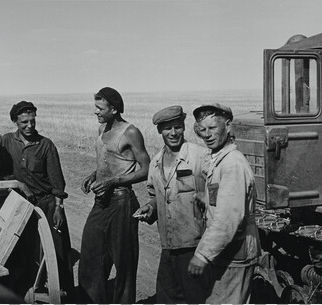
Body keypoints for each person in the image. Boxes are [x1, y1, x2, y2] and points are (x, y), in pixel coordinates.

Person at [78, 87, 150, 303]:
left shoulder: (130, 132)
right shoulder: (102, 129)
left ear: (114, 109)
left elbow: (146, 169)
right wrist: (94, 175)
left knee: (124, 262)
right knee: (91, 256)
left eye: (100, 108)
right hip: (101, 202)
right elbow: (111, 160)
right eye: (95, 107)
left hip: (122, 202)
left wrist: (112, 181)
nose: (96, 112)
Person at [0, 101, 74, 300]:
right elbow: (0, 174)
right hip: (19, 206)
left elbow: (57, 182)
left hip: (46, 204)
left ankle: (62, 294)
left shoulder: (45, 145)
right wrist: (15, 185)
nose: (30, 125)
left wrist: (58, 208)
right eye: (24, 122)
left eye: (32, 121)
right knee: (20, 251)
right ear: (15, 122)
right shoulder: (6, 142)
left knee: (56, 253)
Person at [133, 105, 210, 303]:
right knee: (166, 298)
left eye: (177, 127)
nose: (173, 133)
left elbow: (216, 197)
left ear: (184, 127)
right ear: (160, 131)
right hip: (168, 246)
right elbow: (155, 196)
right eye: (168, 128)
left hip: (195, 246)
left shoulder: (200, 157)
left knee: (196, 299)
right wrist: (150, 208)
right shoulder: (156, 163)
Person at [188, 103, 261, 303]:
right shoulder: (218, 159)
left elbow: (229, 217)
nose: (207, 134)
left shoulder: (232, 164)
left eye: (212, 128)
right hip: (227, 253)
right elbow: (226, 201)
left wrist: (202, 255)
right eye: (202, 130)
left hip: (235, 253)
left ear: (228, 126)